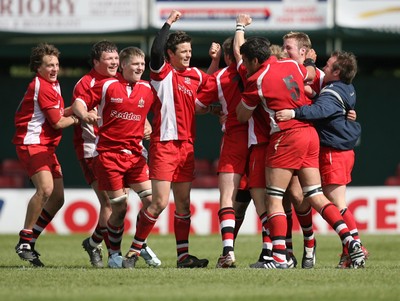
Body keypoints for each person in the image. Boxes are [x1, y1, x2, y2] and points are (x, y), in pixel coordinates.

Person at [236, 36, 366, 269]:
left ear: (256, 59)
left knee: (274, 198)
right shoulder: (292, 65)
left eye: (246, 61)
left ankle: (278, 258)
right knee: (314, 195)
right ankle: (350, 240)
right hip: (310, 137)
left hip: (286, 137)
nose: (244, 65)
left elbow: (242, 115)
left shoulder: (256, 80)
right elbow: (312, 75)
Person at [120, 9, 221, 269]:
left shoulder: (195, 75)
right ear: (171, 55)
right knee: (159, 202)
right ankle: (132, 252)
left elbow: (209, 88)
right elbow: (154, 53)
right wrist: (167, 23)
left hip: (186, 147)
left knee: (184, 205)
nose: (188, 54)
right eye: (183, 51)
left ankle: (183, 257)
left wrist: (215, 60)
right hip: (164, 145)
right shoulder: (162, 74)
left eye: (189, 50)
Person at [275, 50, 368, 268]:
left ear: (337, 71)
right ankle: (351, 252)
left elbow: (320, 110)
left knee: (337, 205)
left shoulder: (331, 93)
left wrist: (293, 113)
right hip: (342, 151)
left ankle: (356, 248)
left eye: (328, 65)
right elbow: (329, 105)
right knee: (336, 203)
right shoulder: (346, 88)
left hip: (334, 153)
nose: (324, 68)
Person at [72, 41, 160, 268]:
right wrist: (85, 115)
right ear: (123, 65)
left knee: (153, 201)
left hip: (135, 155)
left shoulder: (148, 88)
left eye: (143, 64)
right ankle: (113, 253)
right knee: (117, 207)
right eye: (136, 64)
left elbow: (141, 110)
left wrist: (147, 124)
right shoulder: (105, 86)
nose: (141, 68)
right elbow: (79, 103)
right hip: (106, 154)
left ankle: (138, 245)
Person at [13, 43, 79, 267]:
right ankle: (24, 240)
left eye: (56, 64)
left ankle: (30, 241)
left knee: (58, 198)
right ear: (37, 68)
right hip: (32, 143)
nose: (54, 68)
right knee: (46, 189)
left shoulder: (54, 84)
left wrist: (80, 109)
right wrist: (82, 117)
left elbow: (60, 112)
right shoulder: (41, 86)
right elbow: (59, 122)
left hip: (46, 146)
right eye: (49, 65)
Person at [195, 36, 249, 268]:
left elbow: (198, 106)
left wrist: (215, 63)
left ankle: (228, 250)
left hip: (235, 139)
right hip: (260, 139)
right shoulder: (256, 73)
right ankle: (275, 252)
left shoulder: (219, 77)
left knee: (229, 198)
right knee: (264, 199)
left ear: (227, 56)